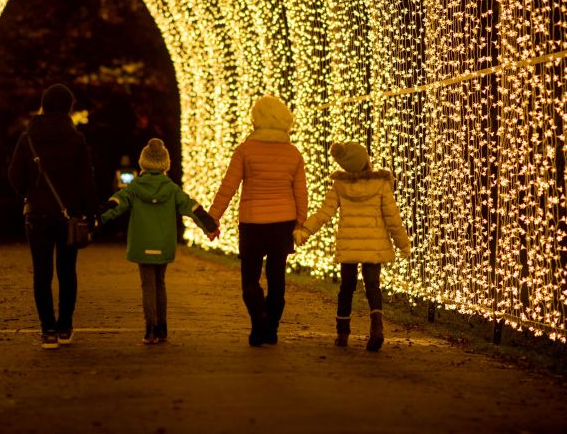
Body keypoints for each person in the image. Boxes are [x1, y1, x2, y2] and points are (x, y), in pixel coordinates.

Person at [99, 138, 220, 344]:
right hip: (163, 242)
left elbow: (116, 203)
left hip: (142, 241)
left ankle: (150, 329)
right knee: (160, 284)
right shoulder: (172, 188)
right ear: (165, 164)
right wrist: (210, 227)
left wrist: (96, 218)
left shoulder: (135, 187)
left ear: (143, 163)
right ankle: (162, 328)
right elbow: (192, 208)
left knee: (148, 285)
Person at [208, 95, 308, 346]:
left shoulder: (245, 150)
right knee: (277, 277)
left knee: (249, 279)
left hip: (252, 223)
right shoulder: (293, 153)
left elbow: (227, 188)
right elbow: (301, 193)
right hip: (282, 223)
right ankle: (271, 329)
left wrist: (212, 219)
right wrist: (300, 223)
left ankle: (258, 322)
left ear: (257, 120)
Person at [293, 141, 410, 351]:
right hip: (374, 246)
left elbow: (323, 214)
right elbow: (393, 218)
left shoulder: (339, 186)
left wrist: (305, 231)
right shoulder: (381, 184)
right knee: (373, 286)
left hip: (349, 246)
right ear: (365, 161)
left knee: (346, 287)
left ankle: (343, 332)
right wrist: (403, 244)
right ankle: (377, 327)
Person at [9, 84, 96, 349]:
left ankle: (47, 330)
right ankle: (65, 326)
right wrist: (89, 214)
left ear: (44, 105)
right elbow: (86, 181)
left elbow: (14, 175)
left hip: (37, 214)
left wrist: (30, 194)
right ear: (69, 107)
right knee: (67, 271)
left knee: (42, 273)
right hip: (68, 215)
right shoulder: (76, 139)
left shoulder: (28, 139)